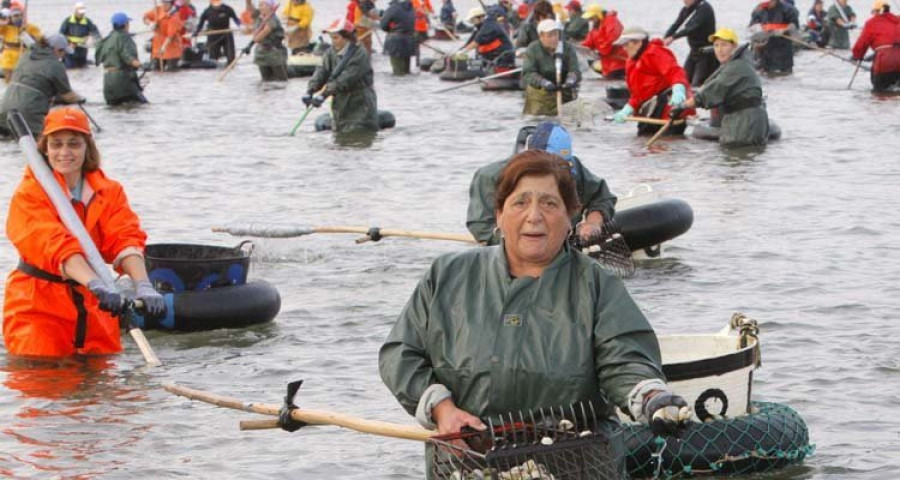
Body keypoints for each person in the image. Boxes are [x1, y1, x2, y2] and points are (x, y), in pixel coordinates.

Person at [380, 150, 689, 476]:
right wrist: (441, 408)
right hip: (467, 465)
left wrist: (652, 396)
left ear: (571, 216)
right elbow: (401, 353)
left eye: (549, 203)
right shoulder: (447, 275)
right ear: (498, 214)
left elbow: (625, 358)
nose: (534, 216)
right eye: (520, 202)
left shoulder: (596, 284)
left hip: (577, 465)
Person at [2, 107, 166, 358]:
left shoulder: (109, 191)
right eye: (56, 144)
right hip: (39, 304)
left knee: (100, 386)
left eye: (74, 144)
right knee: (42, 380)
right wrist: (96, 284)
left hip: (95, 304)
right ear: (45, 148)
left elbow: (124, 237)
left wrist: (143, 284)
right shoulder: (29, 195)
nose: (64, 152)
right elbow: (55, 246)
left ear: (87, 147)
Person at [467, 122, 616, 246]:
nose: (559, 173)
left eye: (563, 166)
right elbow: (481, 226)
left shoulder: (575, 170)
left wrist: (593, 222)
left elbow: (602, 197)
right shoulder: (490, 176)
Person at [680, 29, 770, 147]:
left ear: (734, 47)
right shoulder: (739, 63)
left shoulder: (736, 67)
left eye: (724, 45)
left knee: (734, 159)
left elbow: (710, 93)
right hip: (750, 123)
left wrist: (682, 106)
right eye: (716, 45)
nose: (720, 50)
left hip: (744, 125)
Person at [611, 27, 695, 135]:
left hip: (670, 108)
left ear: (638, 43)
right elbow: (637, 94)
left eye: (627, 44)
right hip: (651, 110)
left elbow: (675, 72)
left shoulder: (655, 53)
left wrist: (678, 89)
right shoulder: (631, 63)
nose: (624, 49)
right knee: (642, 141)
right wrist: (627, 110)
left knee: (670, 143)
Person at [0, 35, 85, 138]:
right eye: (63, 53)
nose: (63, 56)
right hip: (29, 115)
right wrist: (81, 99)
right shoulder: (56, 65)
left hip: (4, 109)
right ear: (57, 50)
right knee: (43, 141)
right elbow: (68, 96)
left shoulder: (26, 55)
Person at [304, 18, 378, 133]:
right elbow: (321, 72)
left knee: (358, 135)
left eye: (336, 38)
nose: (333, 41)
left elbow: (346, 79)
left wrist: (323, 95)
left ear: (347, 37)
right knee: (339, 135)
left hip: (360, 102)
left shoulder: (360, 54)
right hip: (340, 103)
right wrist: (310, 90)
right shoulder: (331, 52)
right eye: (331, 38)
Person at [522, 19, 581, 116]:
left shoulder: (567, 48)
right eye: (549, 36)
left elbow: (575, 70)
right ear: (541, 36)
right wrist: (544, 82)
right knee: (539, 121)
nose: (554, 38)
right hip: (540, 96)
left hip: (563, 92)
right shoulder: (533, 49)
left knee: (567, 118)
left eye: (555, 34)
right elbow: (528, 73)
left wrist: (570, 80)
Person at [94, 13, 147, 106]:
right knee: (142, 106)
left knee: (114, 110)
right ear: (125, 24)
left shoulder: (107, 39)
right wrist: (143, 65)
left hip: (108, 83)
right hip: (123, 82)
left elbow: (98, 59)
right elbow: (129, 58)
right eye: (128, 23)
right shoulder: (124, 37)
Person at [664, 0, 718, 86]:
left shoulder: (705, 8)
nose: (684, 1)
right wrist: (664, 38)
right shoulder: (686, 9)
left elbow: (693, 27)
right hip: (694, 51)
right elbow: (676, 24)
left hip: (706, 53)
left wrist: (674, 37)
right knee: (683, 80)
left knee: (696, 83)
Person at [852, 0, 900, 92]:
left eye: (873, 12)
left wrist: (857, 55)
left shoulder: (871, 23)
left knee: (879, 95)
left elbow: (862, 44)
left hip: (884, 63)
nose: (873, 14)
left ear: (878, 11)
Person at [749, 0, 800, 74]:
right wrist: (756, 29)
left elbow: (795, 27)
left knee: (784, 75)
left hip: (783, 51)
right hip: (764, 50)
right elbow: (751, 26)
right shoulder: (758, 10)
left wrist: (784, 30)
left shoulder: (789, 10)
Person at [243, 0, 288, 81]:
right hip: (262, 53)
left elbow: (263, 33)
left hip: (274, 53)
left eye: (262, 5)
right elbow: (250, 9)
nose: (260, 7)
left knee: (281, 81)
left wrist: (250, 44)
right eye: (259, 5)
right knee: (266, 81)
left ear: (269, 7)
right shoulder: (258, 17)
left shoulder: (273, 19)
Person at [580, 4, 626, 79]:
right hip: (607, 64)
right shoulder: (595, 27)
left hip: (618, 62)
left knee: (613, 81)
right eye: (590, 18)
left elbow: (612, 37)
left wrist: (601, 50)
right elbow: (588, 42)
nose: (590, 19)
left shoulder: (611, 20)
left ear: (598, 15)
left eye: (592, 17)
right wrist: (580, 48)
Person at [0, 2, 42, 84]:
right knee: (8, 80)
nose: (18, 18)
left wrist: (28, 36)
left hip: (23, 53)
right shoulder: (6, 28)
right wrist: (3, 23)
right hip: (8, 55)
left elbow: (40, 39)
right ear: (10, 17)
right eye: (15, 16)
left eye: (19, 15)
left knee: (23, 79)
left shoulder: (30, 27)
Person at [194, 0, 242, 64]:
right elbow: (200, 24)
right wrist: (196, 32)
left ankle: (230, 66)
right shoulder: (207, 11)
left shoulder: (227, 9)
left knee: (231, 57)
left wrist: (241, 26)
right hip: (213, 35)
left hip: (226, 34)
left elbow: (236, 19)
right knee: (213, 59)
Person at [143, 0, 185, 71]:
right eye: (163, 2)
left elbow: (170, 36)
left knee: (172, 71)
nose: (164, 4)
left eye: (166, 3)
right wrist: (151, 24)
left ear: (171, 3)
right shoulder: (158, 10)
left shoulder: (174, 17)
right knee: (156, 70)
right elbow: (145, 17)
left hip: (171, 49)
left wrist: (163, 47)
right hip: (157, 47)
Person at [58, 2, 102, 68]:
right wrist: (69, 43)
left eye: (82, 12)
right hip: (70, 50)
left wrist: (96, 42)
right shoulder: (67, 21)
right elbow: (61, 35)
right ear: (75, 10)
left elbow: (96, 33)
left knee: (83, 68)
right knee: (70, 68)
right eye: (79, 11)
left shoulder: (87, 22)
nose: (81, 14)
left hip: (82, 49)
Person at [381, 0, 416, 75]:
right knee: (407, 72)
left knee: (398, 74)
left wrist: (389, 29)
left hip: (396, 42)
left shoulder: (393, 8)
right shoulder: (411, 7)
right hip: (409, 41)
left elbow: (383, 25)